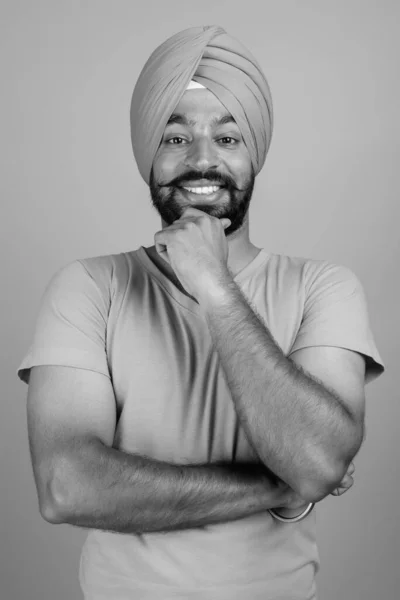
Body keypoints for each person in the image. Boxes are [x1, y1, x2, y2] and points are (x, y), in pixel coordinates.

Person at [17, 25, 385, 600]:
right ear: (149, 155)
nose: (203, 160)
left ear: (254, 154)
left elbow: (316, 462)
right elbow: (67, 487)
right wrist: (273, 486)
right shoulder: (88, 287)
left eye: (229, 138)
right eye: (175, 137)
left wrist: (213, 284)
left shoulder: (324, 288)